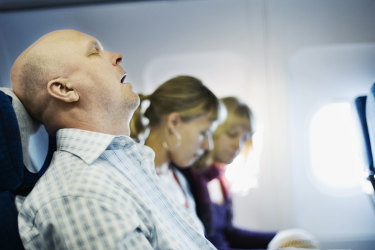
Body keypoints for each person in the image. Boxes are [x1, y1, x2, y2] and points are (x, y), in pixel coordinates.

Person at [11, 29, 215, 249]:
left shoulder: (127, 160)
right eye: (94, 52)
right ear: (64, 89)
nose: (117, 56)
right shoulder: (81, 195)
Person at [181, 97, 277, 250]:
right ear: (214, 131)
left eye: (244, 138)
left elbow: (229, 234)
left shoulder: (220, 179)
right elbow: (211, 243)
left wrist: (279, 238)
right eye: (232, 134)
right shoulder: (191, 177)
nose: (238, 145)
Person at [130, 75, 221, 227]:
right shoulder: (135, 179)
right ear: (174, 122)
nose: (208, 145)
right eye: (203, 133)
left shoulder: (178, 178)